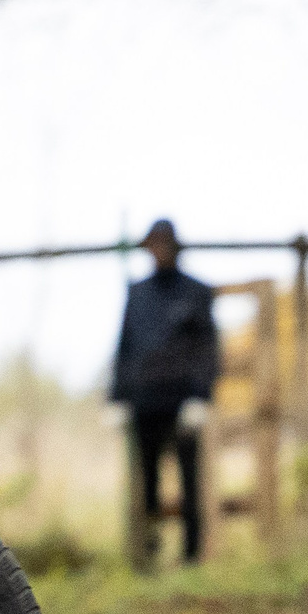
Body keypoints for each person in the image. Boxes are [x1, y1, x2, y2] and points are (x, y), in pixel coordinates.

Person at [108, 219, 222, 565]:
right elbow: (125, 345)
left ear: (174, 246)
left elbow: (208, 348)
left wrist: (201, 395)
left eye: (162, 244)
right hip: (145, 401)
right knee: (147, 482)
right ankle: (149, 553)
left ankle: (191, 554)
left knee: (190, 479)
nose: (157, 252)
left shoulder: (197, 292)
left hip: (182, 400)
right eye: (152, 245)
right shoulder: (137, 293)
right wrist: (117, 397)